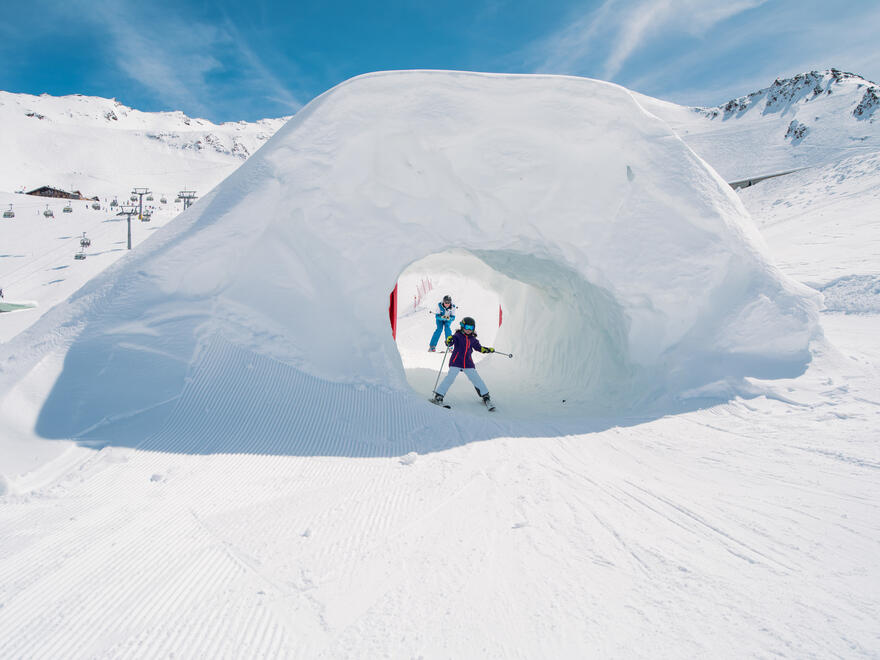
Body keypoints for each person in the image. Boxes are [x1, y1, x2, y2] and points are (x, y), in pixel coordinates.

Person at [432, 316, 495, 407]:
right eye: (467, 327)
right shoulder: (457, 336)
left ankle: (485, 396)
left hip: (468, 363)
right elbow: (450, 341)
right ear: (462, 327)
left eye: (471, 328)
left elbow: (479, 348)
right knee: (450, 377)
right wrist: (448, 341)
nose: (469, 330)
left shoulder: (473, 339)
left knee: (476, 378)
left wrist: (487, 350)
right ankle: (439, 396)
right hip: (456, 361)